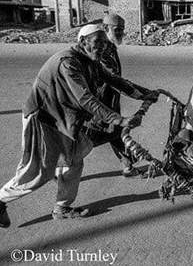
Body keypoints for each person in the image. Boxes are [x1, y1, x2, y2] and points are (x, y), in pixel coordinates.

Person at [0, 24, 158, 228]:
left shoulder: (90, 61)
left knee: (74, 160)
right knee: (39, 171)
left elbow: (114, 80)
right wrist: (120, 120)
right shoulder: (68, 62)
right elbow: (85, 99)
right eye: (97, 43)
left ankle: (62, 207)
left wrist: (144, 93)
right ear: (83, 42)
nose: (101, 48)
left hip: (64, 119)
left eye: (104, 43)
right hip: (44, 119)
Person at [84, 13, 141, 177]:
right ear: (105, 28)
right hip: (99, 103)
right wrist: (141, 94)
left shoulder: (111, 47)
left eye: (122, 29)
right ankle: (61, 167)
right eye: (117, 29)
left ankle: (128, 166)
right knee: (88, 139)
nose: (120, 33)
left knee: (115, 131)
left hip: (110, 100)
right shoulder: (100, 50)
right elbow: (114, 78)